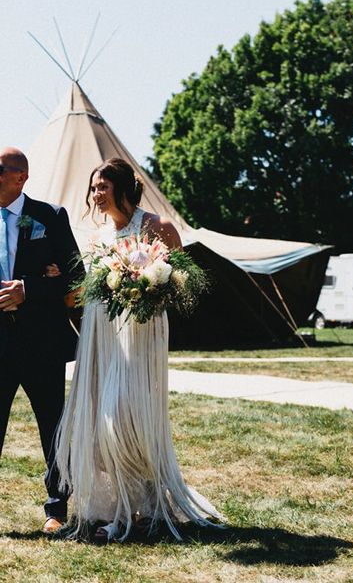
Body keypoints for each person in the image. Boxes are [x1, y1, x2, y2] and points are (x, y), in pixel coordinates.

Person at [55, 157, 222, 541]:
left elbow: (183, 280)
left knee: (129, 420)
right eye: (93, 187)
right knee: (100, 423)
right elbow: (87, 290)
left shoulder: (156, 226)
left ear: (123, 188)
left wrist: (149, 285)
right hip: (102, 335)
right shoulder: (97, 238)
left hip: (142, 333)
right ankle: (126, 509)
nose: (96, 195)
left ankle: (146, 510)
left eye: (103, 187)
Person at [0, 147, 83, 534]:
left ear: (20, 177)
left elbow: (77, 278)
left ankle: (57, 508)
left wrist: (28, 289)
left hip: (41, 342)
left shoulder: (49, 217)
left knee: (53, 428)